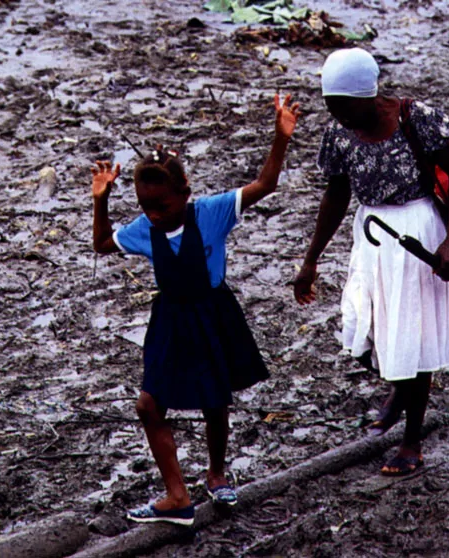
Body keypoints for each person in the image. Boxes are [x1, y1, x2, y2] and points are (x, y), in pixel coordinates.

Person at [90, 94, 300, 525]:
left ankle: (217, 475)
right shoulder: (143, 229)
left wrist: (279, 139)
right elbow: (101, 244)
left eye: (162, 205)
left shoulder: (212, 213)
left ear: (185, 193)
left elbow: (266, 184)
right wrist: (100, 200)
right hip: (170, 319)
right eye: (145, 206)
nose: (154, 214)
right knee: (149, 405)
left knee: (214, 399)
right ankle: (176, 496)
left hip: (212, 313)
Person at [294, 48, 449, 476]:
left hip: (420, 233)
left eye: (343, 106)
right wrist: (310, 261)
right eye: (330, 107)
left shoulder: (417, 117)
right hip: (373, 234)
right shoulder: (339, 133)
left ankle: (412, 441)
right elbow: (336, 195)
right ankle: (399, 387)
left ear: (370, 95)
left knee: (413, 335)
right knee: (361, 326)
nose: (337, 116)